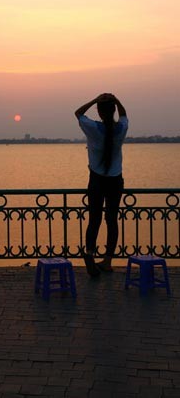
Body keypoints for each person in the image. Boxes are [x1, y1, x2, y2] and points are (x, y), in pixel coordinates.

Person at [75, 93, 128, 277]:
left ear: (99, 111)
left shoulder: (93, 128)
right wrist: (116, 100)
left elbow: (78, 113)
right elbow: (124, 115)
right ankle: (107, 261)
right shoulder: (120, 129)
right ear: (113, 110)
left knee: (94, 219)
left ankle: (90, 253)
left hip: (96, 180)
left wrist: (95, 99)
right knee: (112, 220)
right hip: (115, 181)